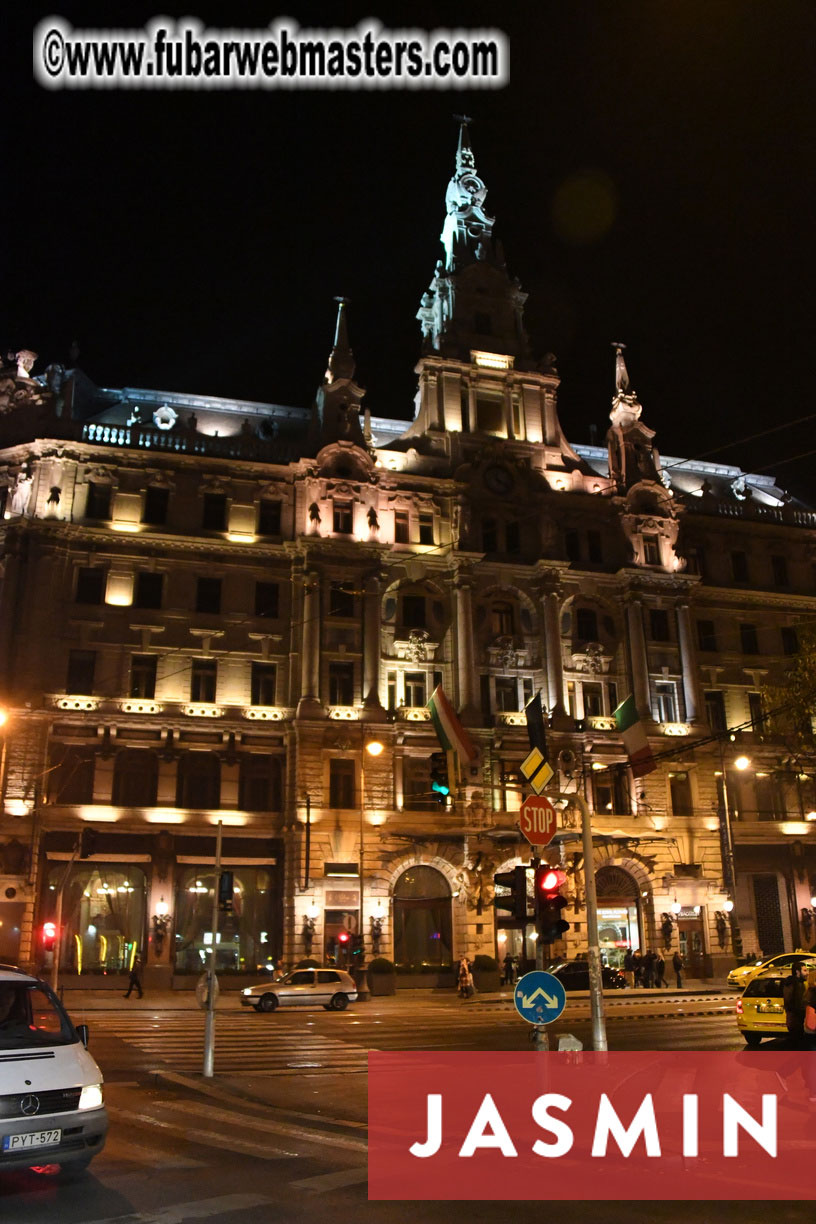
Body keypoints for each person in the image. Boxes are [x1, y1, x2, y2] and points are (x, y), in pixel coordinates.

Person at [782, 961, 807, 1046]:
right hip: (795, 1020)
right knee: (798, 1043)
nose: (807, 973)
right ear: (797, 972)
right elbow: (790, 1001)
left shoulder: (799, 983)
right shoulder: (793, 984)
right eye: (805, 970)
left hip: (798, 1020)